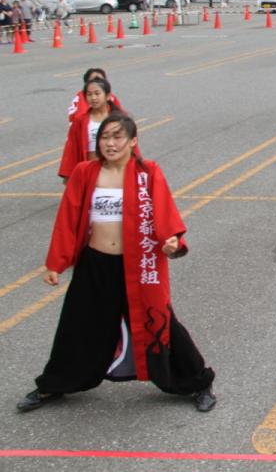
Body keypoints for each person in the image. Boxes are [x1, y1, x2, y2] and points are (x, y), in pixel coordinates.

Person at [18, 113, 216, 414]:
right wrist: (56, 264)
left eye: (117, 137)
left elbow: (164, 212)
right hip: (95, 263)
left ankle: (198, 382)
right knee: (77, 324)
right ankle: (52, 385)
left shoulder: (147, 172)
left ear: (132, 141)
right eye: (105, 137)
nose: (110, 143)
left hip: (137, 265)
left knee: (160, 322)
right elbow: (68, 219)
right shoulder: (86, 172)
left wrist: (172, 241)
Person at [59, 78, 119, 182]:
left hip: (115, 170)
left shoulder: (119, 119)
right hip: (90, 172)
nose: (93, 98)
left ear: (108, 96)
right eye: (89, 94)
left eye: (97, 93)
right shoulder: (80, 121)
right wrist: (68, 174)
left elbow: (130, 147)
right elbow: (71, 148)